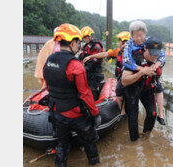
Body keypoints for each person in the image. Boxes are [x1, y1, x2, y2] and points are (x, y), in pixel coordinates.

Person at [43, 23, 102, 167]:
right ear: (73, 42)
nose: (78, 46)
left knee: (62, 145)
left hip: (57, 112)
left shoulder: (49, 61)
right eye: (77, 43)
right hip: (75, 114)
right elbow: (85, 94)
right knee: (90, 140)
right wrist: (95, 113)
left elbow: (48, 85)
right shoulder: (75, 65)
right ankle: (94, 163)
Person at [123, 21, 166, 125]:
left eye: (141, 36)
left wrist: (155, 65)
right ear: (131, 35)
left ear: (145, 35)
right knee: (121, 87)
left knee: (152, 110)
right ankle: (122, 112)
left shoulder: (149, 42)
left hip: (148, 81)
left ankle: (160, 115)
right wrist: (141, 70)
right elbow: (126, 60)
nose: (139, 39)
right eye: (136, 36)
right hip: (133, 71)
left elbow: (162, 55)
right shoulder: (129, 45)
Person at [121, 37, 164, 141]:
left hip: (147, 89)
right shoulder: (134, 59)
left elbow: (157, 78)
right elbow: (124, 81)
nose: (154, 56)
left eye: (157, 53)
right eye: (152, 53)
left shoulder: (158, 60)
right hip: (132, 89)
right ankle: (134, 141)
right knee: (133, 117)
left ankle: (146, 135)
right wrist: (141, 72)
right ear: (145, 48)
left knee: (152, 113)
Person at [83, 31, 131, 120]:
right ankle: (123, 113)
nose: (118, 43)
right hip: (121, 78)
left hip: (130, 80)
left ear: (125, 42)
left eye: (119, 41)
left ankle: (128, 115)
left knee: (129, 98)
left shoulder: (133, 54)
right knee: (120, 93)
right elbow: (105, 54)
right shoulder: (118, 51)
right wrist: (91, 56)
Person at [78, 26, 104, 100]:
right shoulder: (86, 46)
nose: (85, 39)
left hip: (95, 72)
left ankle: (95, 106)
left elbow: (93, 61)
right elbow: (81, 56)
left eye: (86, 37)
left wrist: (82, 69)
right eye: (83, 37)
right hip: (88, 72)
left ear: (90, 36)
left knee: (93, 91)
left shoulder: (96, 46)